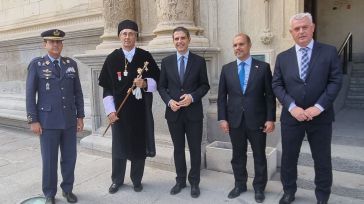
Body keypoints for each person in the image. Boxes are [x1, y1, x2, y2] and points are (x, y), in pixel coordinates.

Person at [272, 13, 342, 204]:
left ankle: (322, 196)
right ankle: (289, 192)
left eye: (305, 27)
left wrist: (318, 107)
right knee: (288, 158)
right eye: (297, 29)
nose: (301, 31)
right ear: (291, 32)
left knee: (322, 160)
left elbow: (336, 81)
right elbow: (277, 84)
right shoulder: (283, 57)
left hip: (320, 118)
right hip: (292, 118)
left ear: (313, 28)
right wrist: (292, 107)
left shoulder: (328, 52)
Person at [98, 19, 160, 194]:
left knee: (138, 148)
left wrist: (145, 83)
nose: (127, 37)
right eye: (124, 33)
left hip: (140, 112)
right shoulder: (112, 59)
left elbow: (158, 80)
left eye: (131, 33)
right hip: (120, 113)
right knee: (119, 147)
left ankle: (136, 180)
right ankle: (117, 180)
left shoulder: (145, 56)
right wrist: (110, 111)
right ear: (119, 36)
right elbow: (107, 88)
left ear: (136, 36)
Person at [26, 29, 84, 204]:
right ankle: (49, 193)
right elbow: (30, 94)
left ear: (62, 44)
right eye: (52, 42)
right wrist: (33, 119)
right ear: (45, 44)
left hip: (68, 121)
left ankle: (68, 189)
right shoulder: (37, 65)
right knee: (49, 160)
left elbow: (77, 93)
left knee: (69, 158)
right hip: (47, 121)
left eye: (58, 42)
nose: (56, 45)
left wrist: (80, 116)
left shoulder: (71, 64)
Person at [217, 33, 276, 203]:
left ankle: (259, 188)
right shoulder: (226, 69)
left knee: (259, 155)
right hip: (235, 120)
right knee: (238, 155)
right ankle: (240, 185)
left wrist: (270, 118)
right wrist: (223, 118)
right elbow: (222, 97)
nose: (238, 48)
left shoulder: (263, 68)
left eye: (241, 44)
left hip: (257, 120)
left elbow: (269, 96)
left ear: (249, 45)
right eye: (235, 45)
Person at [158, 26, 210, 198]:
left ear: (189, 39)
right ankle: (180, 180)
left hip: (193, 114)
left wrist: (193, 97)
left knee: (195, 149)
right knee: (178, 149)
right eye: (176, 39)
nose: (179, 41)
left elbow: (205, 85)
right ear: (173, 41)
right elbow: (161, 86)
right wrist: (168, 101)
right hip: (174, 114)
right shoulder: (166, 62)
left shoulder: (199, 61)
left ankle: (194, 182)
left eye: (182, 38)